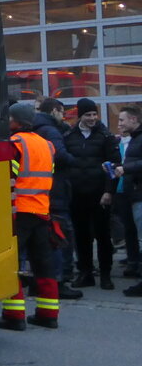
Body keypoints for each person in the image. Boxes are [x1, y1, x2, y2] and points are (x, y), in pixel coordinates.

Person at [0, 101, 60, 330]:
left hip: (18, 211)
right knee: (43, 263)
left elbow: (5, 176)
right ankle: (48, 314)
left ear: (17, 121)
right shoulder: (47, 145)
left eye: (10, 118)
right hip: (42, 210)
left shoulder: (15, 143)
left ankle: (14, 316)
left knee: (11, 263)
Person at [64, 98, 117, 289]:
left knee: (103, 236)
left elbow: (114, 165)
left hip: (99, 194)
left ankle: (105, 275)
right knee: (81, 237)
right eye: (88, 115)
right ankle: (85, 273)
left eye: (94, 114)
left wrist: (108, 191)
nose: (92, 118)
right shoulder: (69, 136)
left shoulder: (105, 136)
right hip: (77, 195)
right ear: (80, 116)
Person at [32, 99, 81, 300]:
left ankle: (40, 282)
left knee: (42, 242)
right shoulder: (51, 131)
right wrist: (77, 161)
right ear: (54, 111)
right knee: (60, 239)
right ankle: (58, 281)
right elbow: (60, 156)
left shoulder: (34, 129)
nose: (64, 116)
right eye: (62, 112)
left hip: (38, 194)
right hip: (56, 191)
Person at [112, 105, 141, 281]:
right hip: (131, 193)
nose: (119, 123)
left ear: (133, 119)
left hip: (139, 193)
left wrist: (126, 168)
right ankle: (135, 266)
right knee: (131, 231)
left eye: (122, 119)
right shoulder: (135, 138)